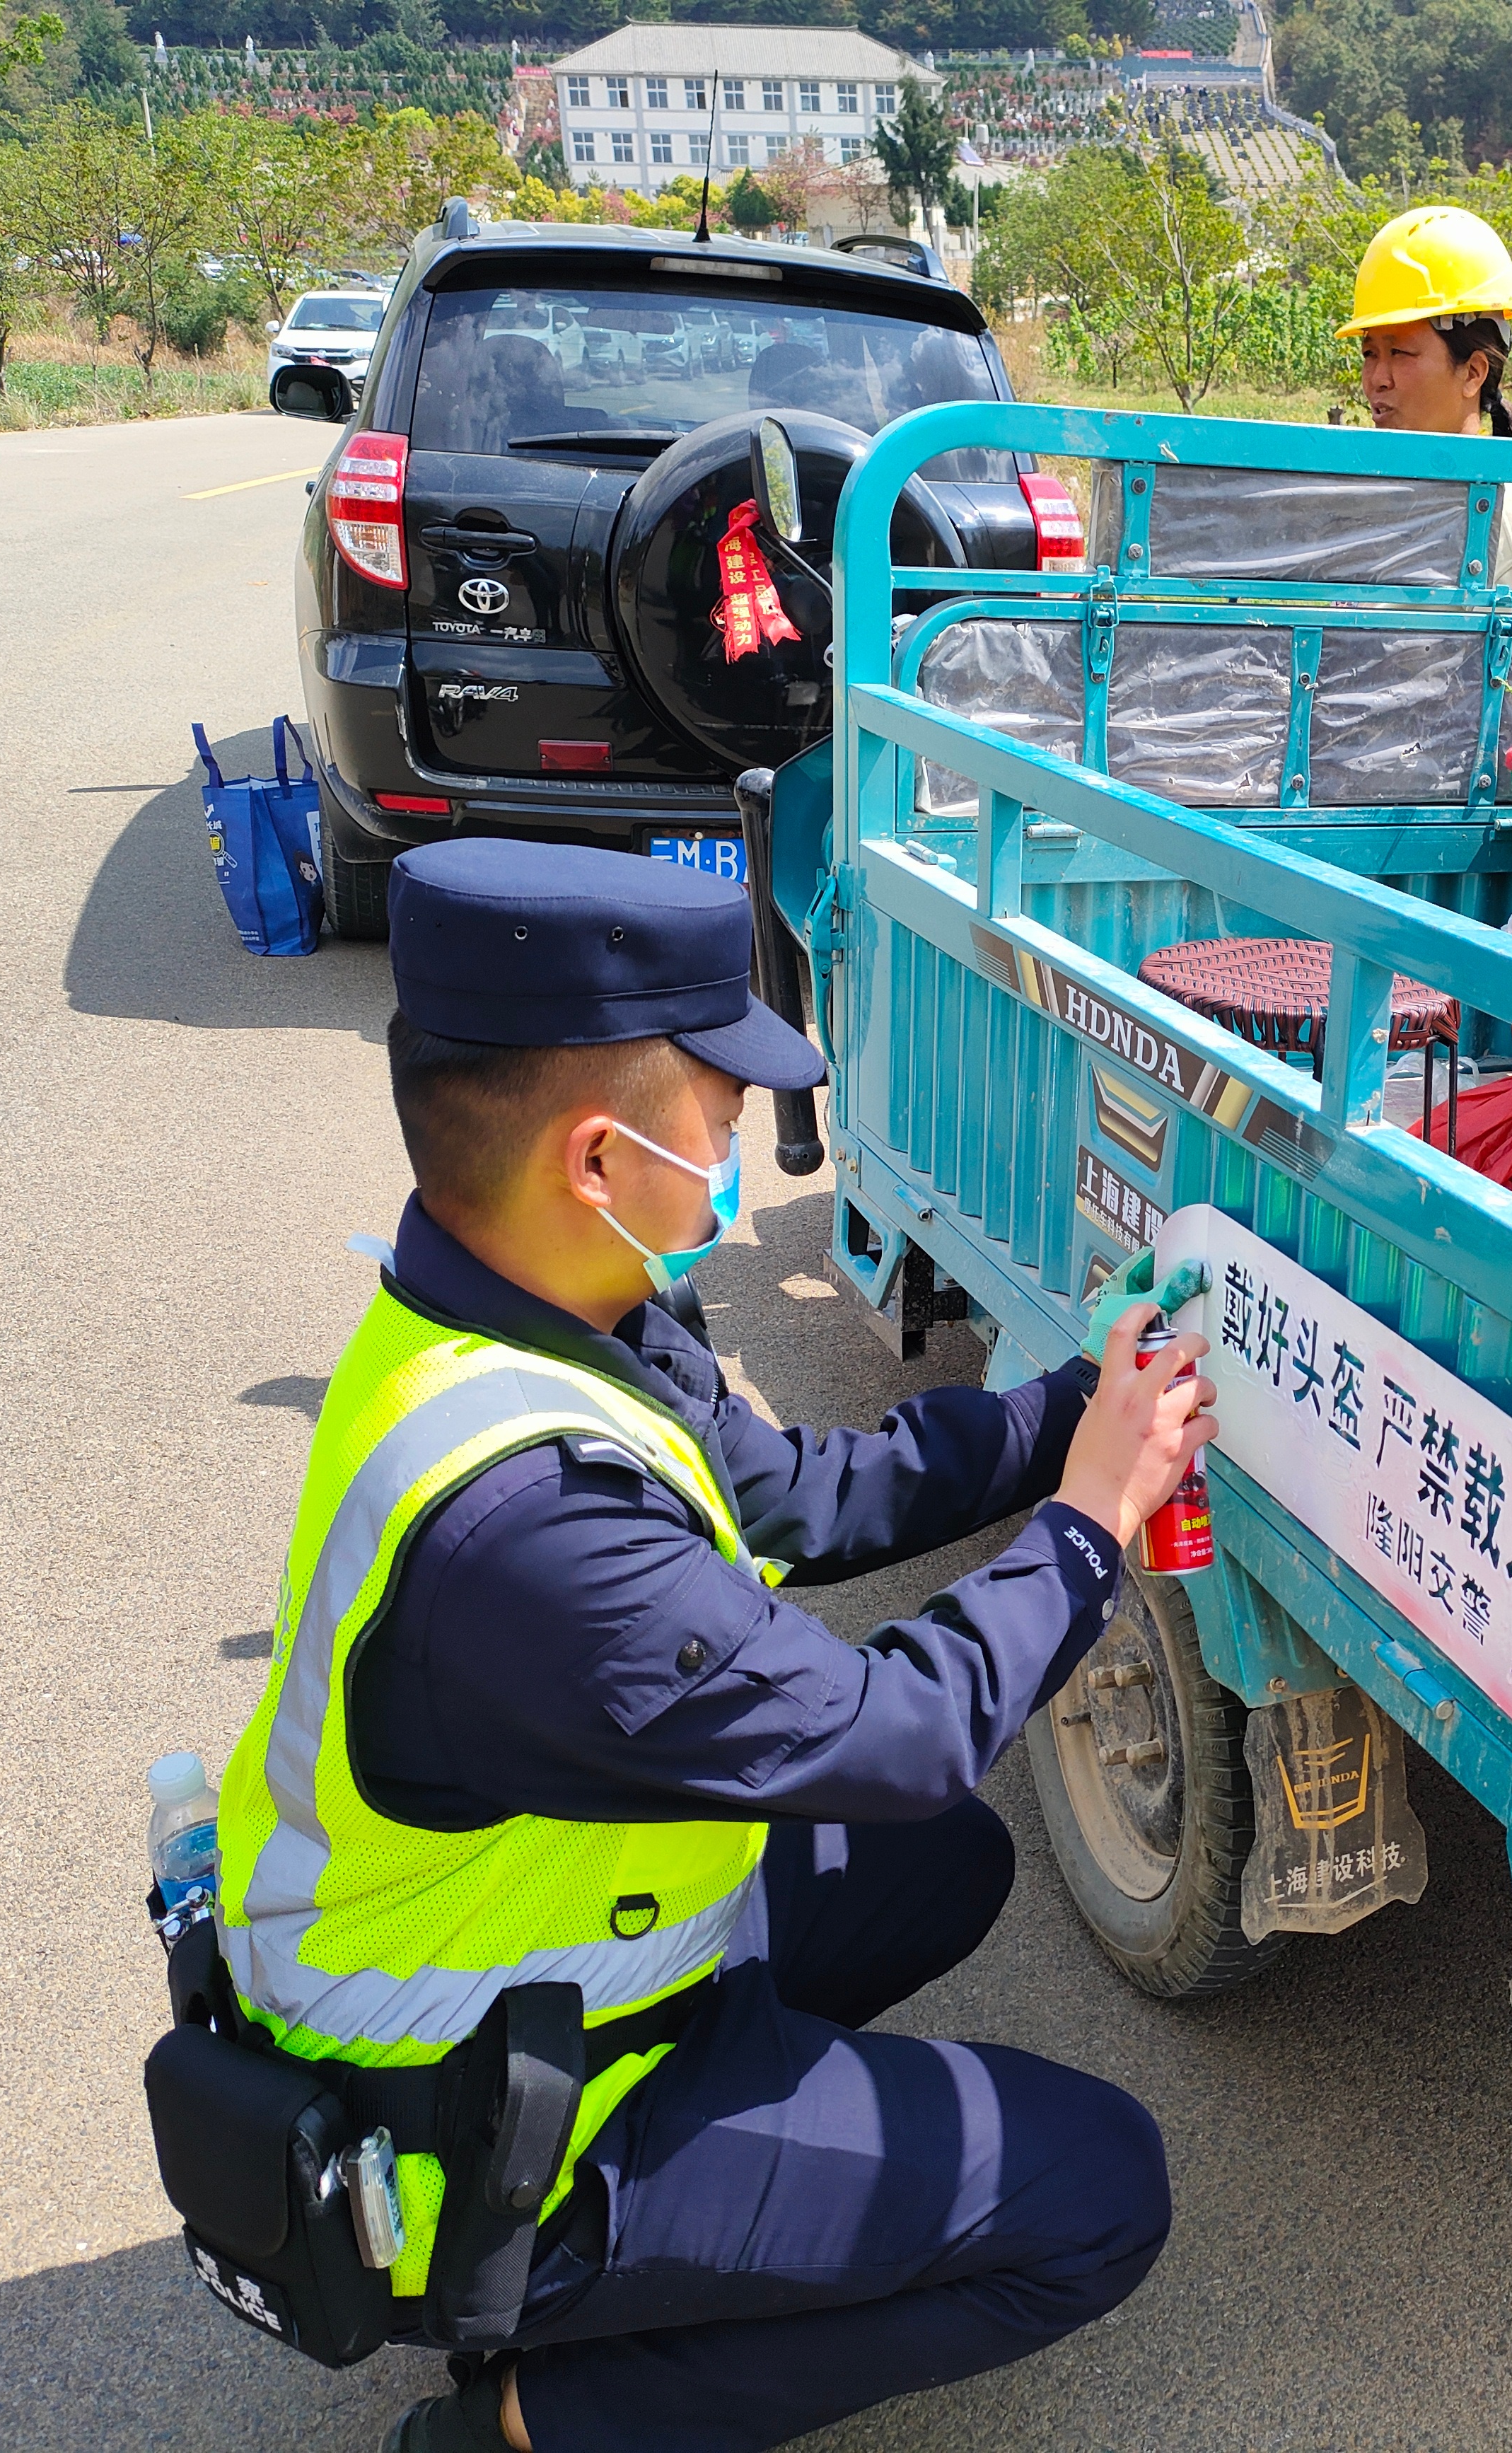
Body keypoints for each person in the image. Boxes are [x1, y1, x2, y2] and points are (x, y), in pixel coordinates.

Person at [203, 839, 1216, 2453]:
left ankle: (732, 2201)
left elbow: (798, 1495)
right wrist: (1090, 1526)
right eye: (722, 1117)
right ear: (600, 1160)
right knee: (1101, 2193)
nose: (741, 1154)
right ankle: (536, 2397)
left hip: (531, 1952)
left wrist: (1057, 1417)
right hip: (463, 2121)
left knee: (943, 1860)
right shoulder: (526, 1529)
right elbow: (894, 1728)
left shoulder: (525, 1302)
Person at [1339, 203, 1512, 596]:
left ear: (1473, 372)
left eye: (1399, 353)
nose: (1376, 381)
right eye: (1370, 354)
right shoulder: (1382, 505)